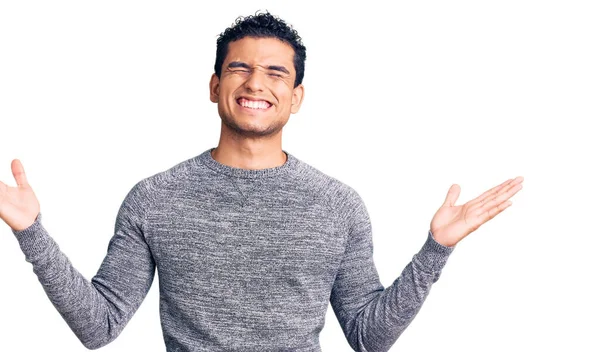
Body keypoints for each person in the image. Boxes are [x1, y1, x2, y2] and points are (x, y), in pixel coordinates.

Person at [0, 11, 523, 352]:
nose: (256, 83)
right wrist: (31, 231)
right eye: (240, 69)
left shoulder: (337, 204)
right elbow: (99, 326)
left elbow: (368, 336)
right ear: (214, 85)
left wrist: (436, 249)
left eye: (276, 73)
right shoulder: (154, 198)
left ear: (296, 96)